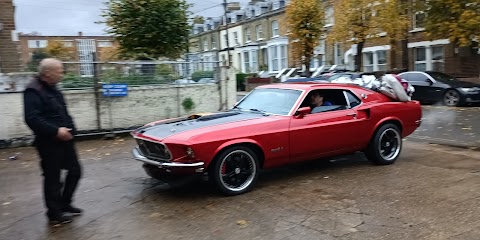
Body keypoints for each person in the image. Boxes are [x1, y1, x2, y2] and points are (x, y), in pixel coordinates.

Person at [24, 58, 83, 227]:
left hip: (66, 139)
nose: (62, 74)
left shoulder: (53, 88)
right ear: (47, 72)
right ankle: (54, 213)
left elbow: (62, 111)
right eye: (59, 71)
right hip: (49, 142)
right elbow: (32, 118)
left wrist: (72, 129)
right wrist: (55, 131)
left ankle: (65, 203)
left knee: (75, 171)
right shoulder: (33, 90)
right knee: (53, 178)